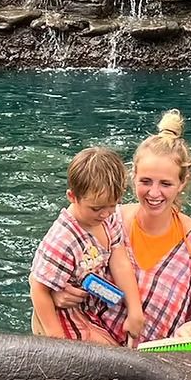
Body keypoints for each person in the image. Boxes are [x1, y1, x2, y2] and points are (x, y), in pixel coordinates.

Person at [53, 111, 191, 345]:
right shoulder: (107, 219)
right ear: (134, 176)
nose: (154, 193)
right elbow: (51, 268)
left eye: (166, 184)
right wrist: (58, 294)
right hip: (92, 351)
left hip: (152, 365)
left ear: (183, 182)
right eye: (146, 181)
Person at [29, 146, 145, 346]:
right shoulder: (63, 240)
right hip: (62, 316)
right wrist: (56, 341)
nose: (105, 214)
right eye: (96, 208)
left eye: (112, 205)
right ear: (72, 196)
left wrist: (135, 309)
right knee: (106, 357)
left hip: (90, 308)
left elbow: (119, 260)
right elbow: (39, 290)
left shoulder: (108, 220)